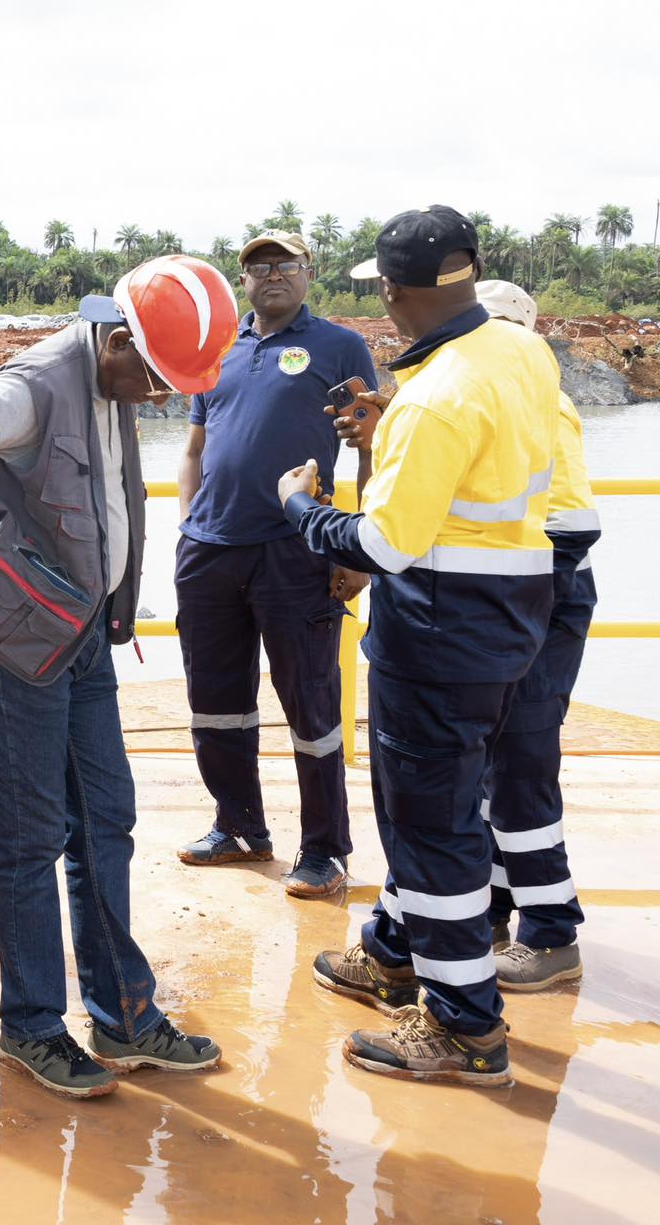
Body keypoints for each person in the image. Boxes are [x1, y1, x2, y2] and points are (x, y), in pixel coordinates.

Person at [0, 258, 235, 1099]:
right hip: (16, 639)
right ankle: (31, 1027)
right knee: (32, 836)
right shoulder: (32, 387)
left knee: (105, 819)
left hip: (80, 635)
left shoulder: (110, 379)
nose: (159, 398)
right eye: (154, 379)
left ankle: (123, 1017)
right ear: (117, 342)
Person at [278, 206, 559, 1087]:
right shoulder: (519, 353)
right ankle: (395, 953)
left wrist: (301, 507)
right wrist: (396, 421)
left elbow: (383, 544)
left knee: (430, 829)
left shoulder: (434, 399)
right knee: (448, 808)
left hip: (438, 635)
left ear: (394, 294)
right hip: (511, 616)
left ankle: (463, 1026)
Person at [175, 229, 377, 897]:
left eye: (286, 264)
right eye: (259, 266)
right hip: (210, 552)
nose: (273, 275)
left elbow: (372, 446)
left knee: (311, 703)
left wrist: (359, 547)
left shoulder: (340, 346)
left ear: (308, 272)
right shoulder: (219, 351)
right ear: (244, 279)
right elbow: (194, 449)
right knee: (215, 702)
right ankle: (238, 828)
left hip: (297, 550)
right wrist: (188, 526)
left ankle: (324, 850)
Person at [464, 281, 597, 988]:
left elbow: (570, 526)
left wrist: (509, 601)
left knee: (520, 765)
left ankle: (550, 932)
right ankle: (491, 909)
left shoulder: (546, 404)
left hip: (541, 600)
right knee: (493, 766)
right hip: (516, 598)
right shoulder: (499, 402)